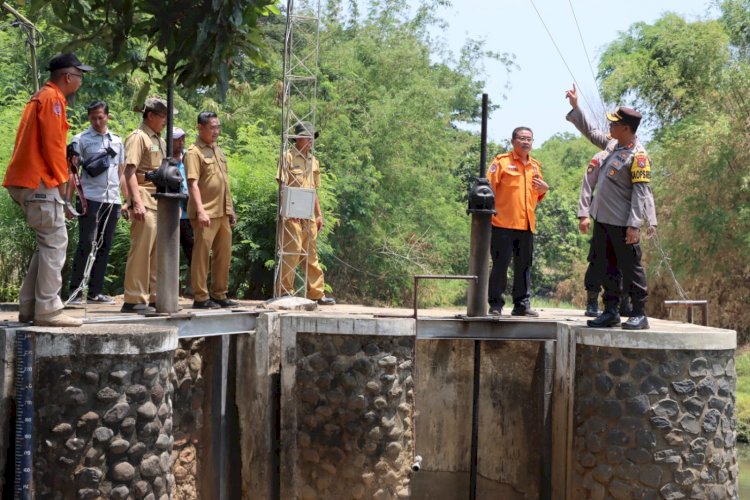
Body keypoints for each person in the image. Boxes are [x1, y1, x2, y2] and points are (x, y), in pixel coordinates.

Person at [3, 53, 92, 327]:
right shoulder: (53, 100)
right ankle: (49, 310)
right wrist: (63, 189)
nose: (81, 80)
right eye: (80, 75)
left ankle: (30, 308)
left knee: (46, 245)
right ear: (68, 76)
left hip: (26, 180)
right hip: (39, 181)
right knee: (56, 241)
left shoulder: (39, 97)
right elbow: (53, 147)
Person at [565, 84, 657, 330]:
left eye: (614, 124)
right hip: (604, 221)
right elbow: (591, 131)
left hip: (623, 224)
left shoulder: (638, 157)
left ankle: (639, 313)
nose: (610, 126)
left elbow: (640, 193)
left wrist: (634, 225)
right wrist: (576, 108)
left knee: (632, 268)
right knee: (608, 266)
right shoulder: (612, 145)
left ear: (626, 128)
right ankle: (611, 311)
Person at [68, 100, 127, 305]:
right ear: (88, 118)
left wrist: (125, 199)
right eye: (93, 117)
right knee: (87, 242)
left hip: (112, 200)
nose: (97, 121)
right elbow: (72, 173)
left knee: (104, 244)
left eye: (100, 116)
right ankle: (75, 290)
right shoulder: (80, 139)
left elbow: (121, 173)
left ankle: (95, 292)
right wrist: (68, 201)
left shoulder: (118, 141)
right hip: (89, 198)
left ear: (107, 116)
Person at [486, 126, 549, 316]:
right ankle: (496, 305)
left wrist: (544, 188)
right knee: (500, 266)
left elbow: (536, 196)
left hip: (526, 225)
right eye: (522, 138)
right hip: (502, 224)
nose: (525, 142)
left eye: (529, 139)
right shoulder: (501, 162)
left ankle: (522, 305)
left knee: (524, 267)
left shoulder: (535, 166)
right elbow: (489, 189)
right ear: (513, 141)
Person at [276, 122, 336, 305]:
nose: (311, 141)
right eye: (307, 137)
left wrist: (319, 214)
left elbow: (314, 190)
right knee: (291, 253)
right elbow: (282, 186)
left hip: (308, 215)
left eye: (312, 138)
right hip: (291, 214)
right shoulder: (287, 157)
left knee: (311, 254)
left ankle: (317, 293)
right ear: (298, 138)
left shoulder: (313, 161)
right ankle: (285, 291)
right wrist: (287, 209)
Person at [185, 112, 238, 309]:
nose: (215, 131)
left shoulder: (218, 151)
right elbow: (192, 184)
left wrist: (230, 209)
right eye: (211, 127)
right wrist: (200, 210)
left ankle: (219, 294)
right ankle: (200, 297)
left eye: (218, 127)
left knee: (223, 255)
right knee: (201, 255)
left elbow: (224, 182)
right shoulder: (193, 152)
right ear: (200, 128)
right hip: (205, 212)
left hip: (222, 212)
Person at [120, 97, 168, 313]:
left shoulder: (159, 140)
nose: (165, 120)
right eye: (162, 116)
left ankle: (155, 296)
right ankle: (134, 298)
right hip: (144, 199)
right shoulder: (138, 138)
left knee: (158, 251)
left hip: (159, 200)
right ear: (150, 116)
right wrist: (135, 203)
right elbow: (129, 172)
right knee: (141, 249)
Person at [579, 150, 633, 318]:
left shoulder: (634, 155)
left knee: (626, 260)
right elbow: (588, 184)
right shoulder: (602, 157)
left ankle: (624, 301)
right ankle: (593, 300)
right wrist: (583, 214)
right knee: (598, 257)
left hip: (624, 217)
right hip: (602, 216)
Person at [173, 127, 194, 298]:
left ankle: (191, 288)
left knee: (193, 251)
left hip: (189, 212)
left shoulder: (189, 157)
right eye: (176, 139)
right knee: (172, 252)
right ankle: (173, 289)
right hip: (171, 212)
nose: (180, 143)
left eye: (182, 139)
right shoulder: (164, 158)